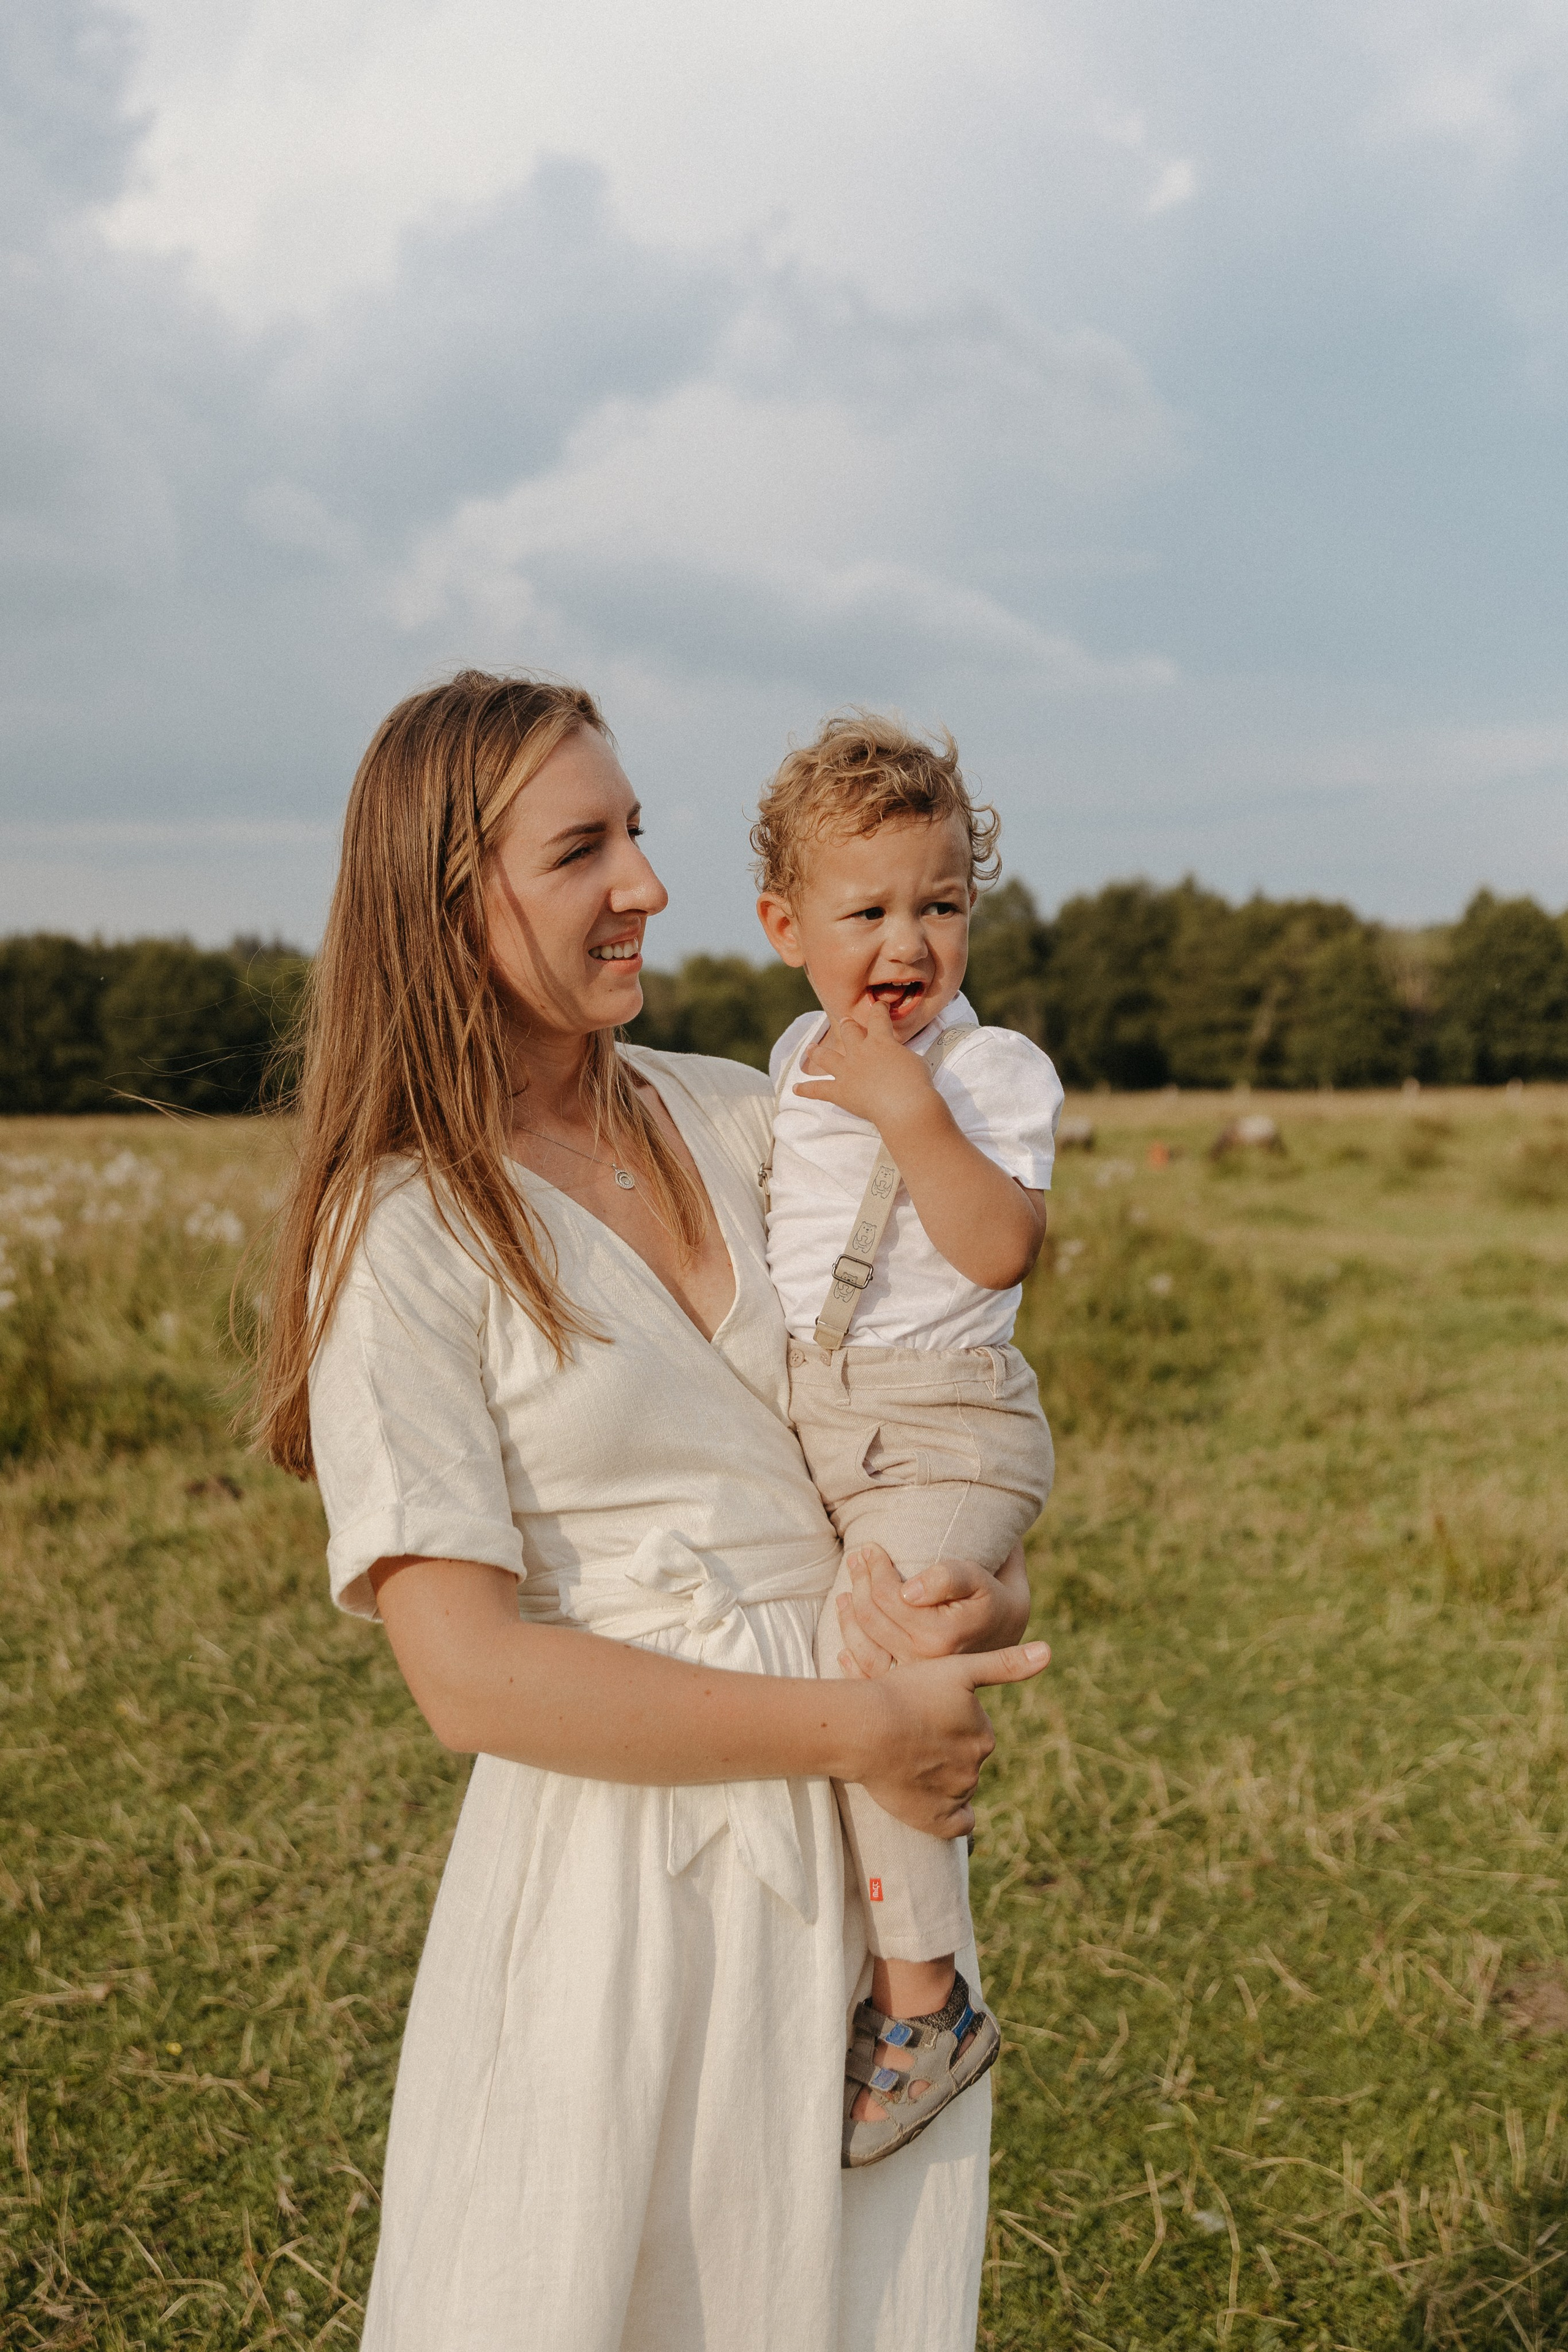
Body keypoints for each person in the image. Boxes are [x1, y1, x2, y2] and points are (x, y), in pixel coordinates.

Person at [255, 669, 1050, 2351]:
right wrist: (853, 1726)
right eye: (583, 850)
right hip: (625, 1872)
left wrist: (980, 1601)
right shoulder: (399, 1229)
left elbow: (892, 1427)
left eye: (639, 833)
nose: (648, 884)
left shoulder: (751, 1109)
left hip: (856, 1857)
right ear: (452, 904)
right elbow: (466, 1675)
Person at [753, 712, 1063, 2169]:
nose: (906, 940)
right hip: (828, 1424)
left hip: (948, 1428)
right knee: (844, 1653)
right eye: (866, 908)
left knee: (877, 1664)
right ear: (783, 926)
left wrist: (915, 1111)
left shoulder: (990, 1069)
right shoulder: (787, 1059)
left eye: (938, 905)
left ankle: (927, 2000)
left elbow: (1002, 1248)